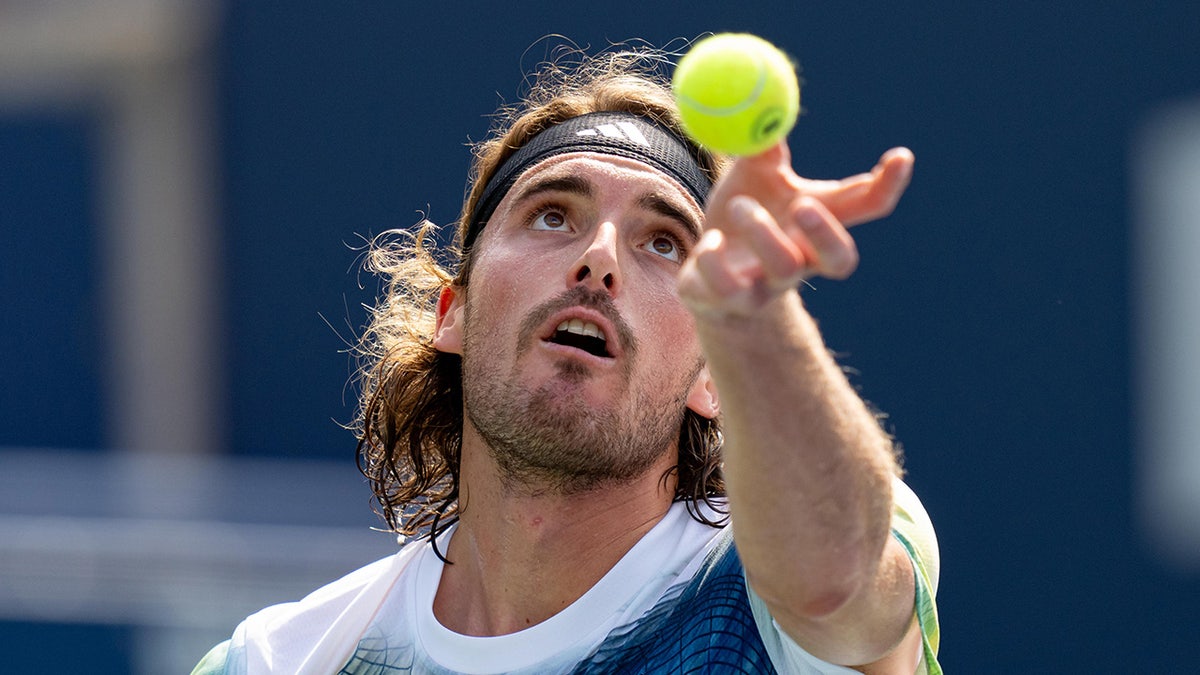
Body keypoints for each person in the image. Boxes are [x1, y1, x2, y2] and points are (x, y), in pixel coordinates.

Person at [194, 43, 940, 675]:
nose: (599, 258)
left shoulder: (776, 584)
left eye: (663, 242)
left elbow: (835, 587)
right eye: (553, 215)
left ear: (713, 374)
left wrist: (757, 317)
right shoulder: (282, 659)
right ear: (452, 315)